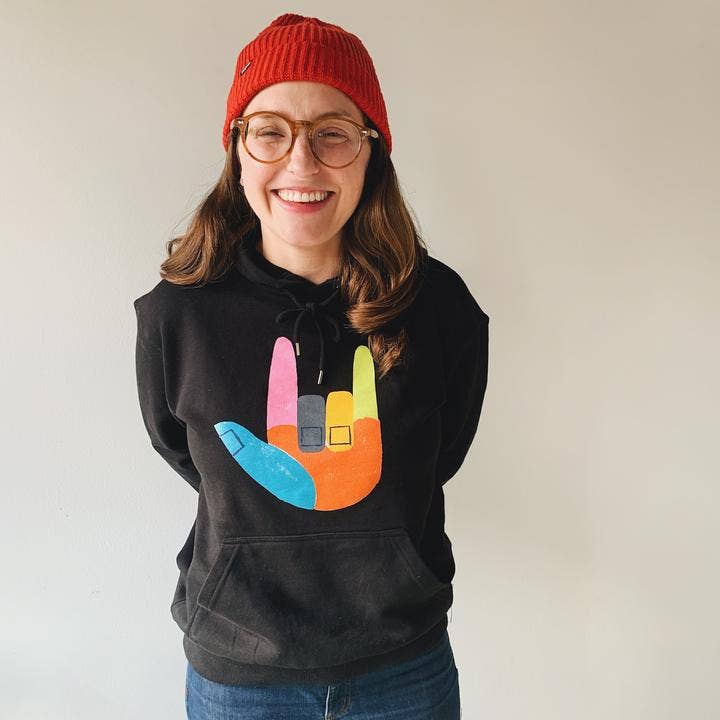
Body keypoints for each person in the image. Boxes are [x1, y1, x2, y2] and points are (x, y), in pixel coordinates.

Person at [133, 13, 489, 720]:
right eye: (270, 132)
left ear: (371, 151)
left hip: (403, 669)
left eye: (333, 132)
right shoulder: (178, 313)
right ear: (237, 150)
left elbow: (441, 453)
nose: (302, 163)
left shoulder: (440, 305)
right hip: (240, 673)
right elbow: (183, 451)